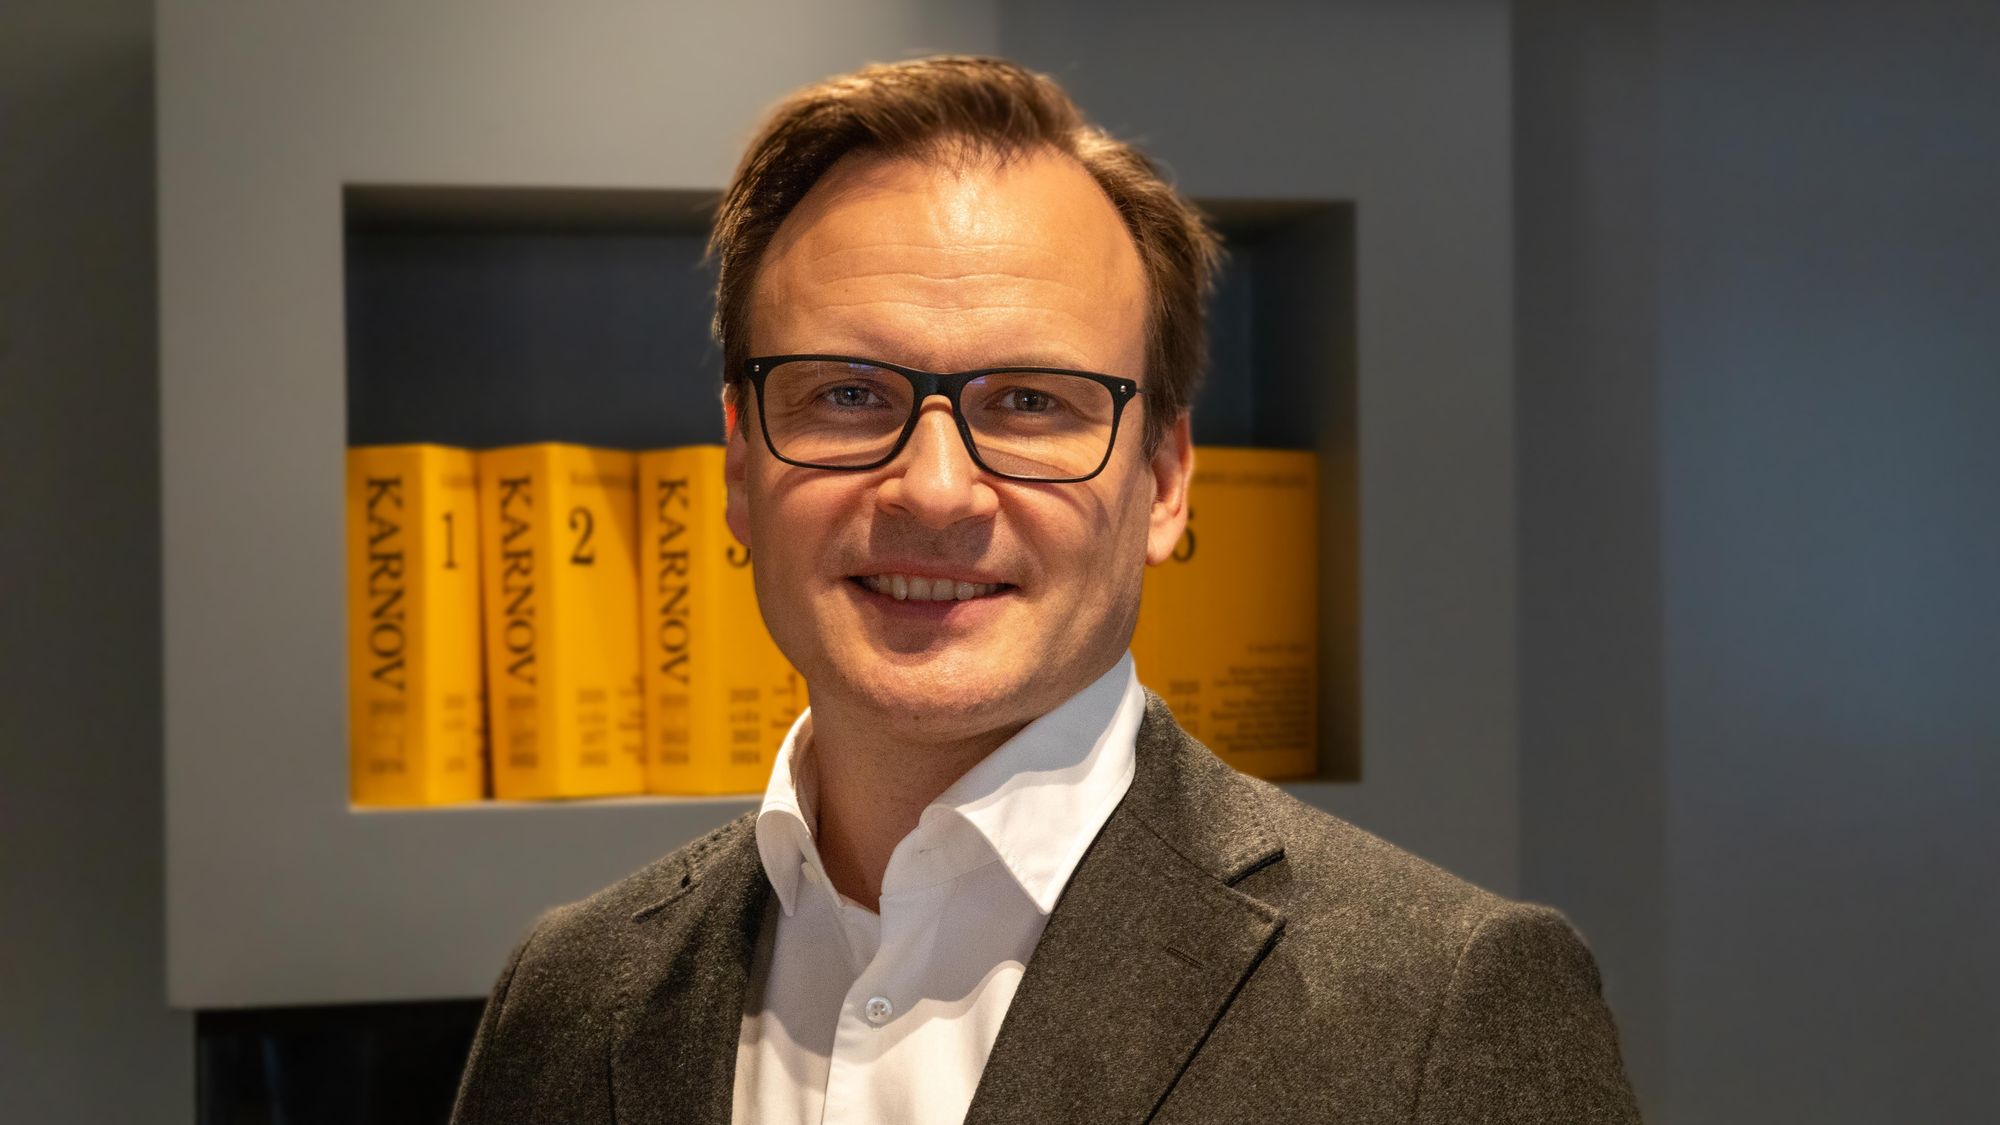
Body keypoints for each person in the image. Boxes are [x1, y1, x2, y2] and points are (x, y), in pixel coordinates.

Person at [451, 56, 1640, 1124]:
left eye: (1029, 403)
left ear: (1163, 482)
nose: (933, 491)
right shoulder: (571, 998)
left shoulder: (1438, 1006)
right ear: (739, 471)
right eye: (846, 395)